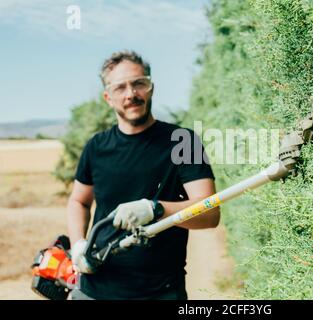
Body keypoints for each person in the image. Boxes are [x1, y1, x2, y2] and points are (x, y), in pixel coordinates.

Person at [67, 50, 220, 300]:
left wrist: (155, 209)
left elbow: (210, 213)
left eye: (139, 83)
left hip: (159, 293)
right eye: (120, 87)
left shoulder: (183, 142)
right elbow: (78, 201)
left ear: (151, 87)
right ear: (108, 97)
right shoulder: (96, 147)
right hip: (96, 289)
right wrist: (77, 245)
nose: (131, 94)